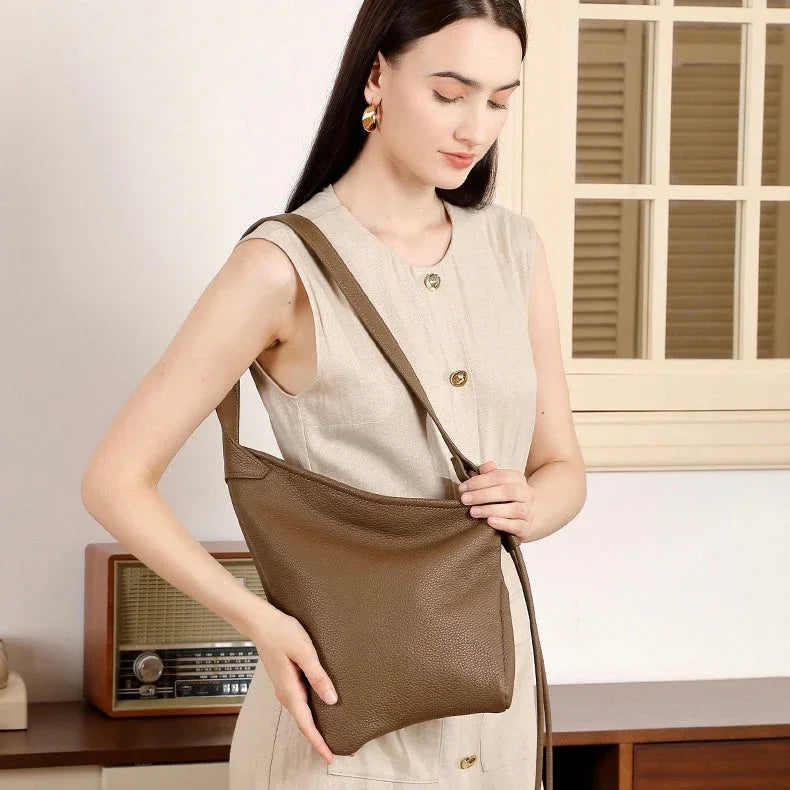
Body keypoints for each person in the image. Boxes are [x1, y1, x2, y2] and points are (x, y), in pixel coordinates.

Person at [80, 0, 587, 788]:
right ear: (377, 76)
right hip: (339, 721)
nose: (475, 128)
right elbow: (114, 480)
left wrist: (529, 506)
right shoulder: (280, 267)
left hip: (498, 718)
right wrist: (260, 621)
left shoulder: (514, 250)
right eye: (449, 94)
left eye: (499, 100)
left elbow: (562, 469)